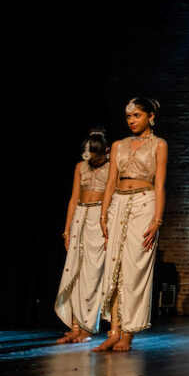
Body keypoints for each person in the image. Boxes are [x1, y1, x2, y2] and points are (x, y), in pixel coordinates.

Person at [93, 98, 168, 352]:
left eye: (137, 115)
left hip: (145, 204)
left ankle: (128, 332)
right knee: (114, 265)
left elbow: (159, 184)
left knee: (134, 269)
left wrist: (157, 219)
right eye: (129, 117)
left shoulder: (159, 145)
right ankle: (113, 330)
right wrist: (103, 214)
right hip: (118, 204)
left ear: (150, 116)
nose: (132, 121)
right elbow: (110, 182)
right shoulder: (117, 145)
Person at [55, 129, 110, 343]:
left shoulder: (111, 168)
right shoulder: (80, 167)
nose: (90, 160)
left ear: (105, 152)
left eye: (95, 156)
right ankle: (75, 325)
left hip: (99, 217)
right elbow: (73, 198)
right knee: (75, 271)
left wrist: (107, 223)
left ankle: (88, 325)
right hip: (80, 215)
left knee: (92, 272)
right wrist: (67, 230)